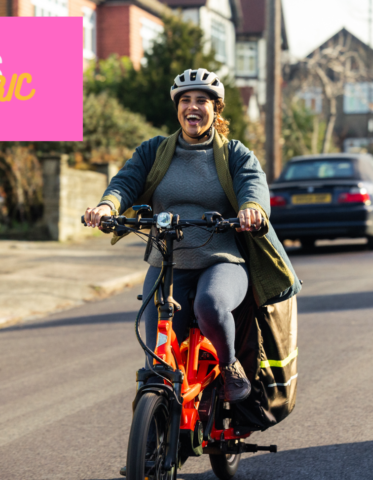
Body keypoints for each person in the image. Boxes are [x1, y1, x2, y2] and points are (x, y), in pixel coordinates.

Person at [85, 68, 300, 403]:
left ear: (216, 109)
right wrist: (107, 206)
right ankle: (157, 420)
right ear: (178, 108)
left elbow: (252, 186)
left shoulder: (235, 154)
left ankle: (229, 367)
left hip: (222, 259)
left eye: (202, 100)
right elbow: (125, 182)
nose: (193, 107)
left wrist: (251, 209)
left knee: (210, 305)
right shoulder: (153, 151)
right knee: (159, 350)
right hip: (168, 261)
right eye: (186, 100)